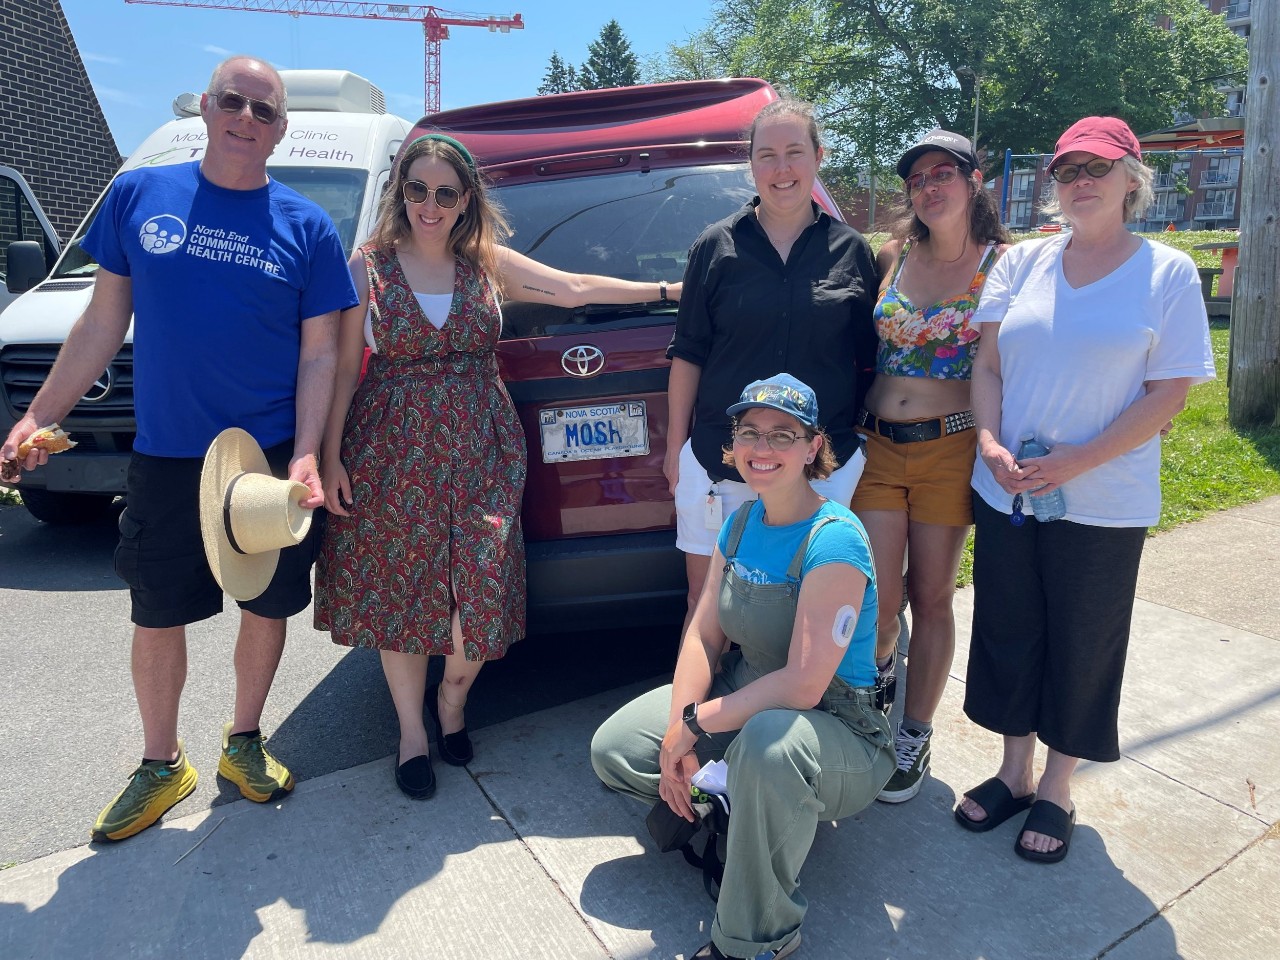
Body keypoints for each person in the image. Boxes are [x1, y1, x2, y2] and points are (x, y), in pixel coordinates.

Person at [1, 57, 357, 841]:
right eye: (234, 102)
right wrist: (37, 415)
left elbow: (322, 356)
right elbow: (100, 324)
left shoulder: (308, 227)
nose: (247, 119)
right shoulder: (139, 196)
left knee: (265, 602)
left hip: (263, 462)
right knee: (157, 611)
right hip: (167, 456)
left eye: (265, 111)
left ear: (282, 128)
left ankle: (244, 742)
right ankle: (162, 764)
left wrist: (304, 453)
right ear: (206, 106)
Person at [314, 133, 682, 800]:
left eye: (445, 192)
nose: (429, 204)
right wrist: (331, 455)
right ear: (401, 193)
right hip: (389, 453)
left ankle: (453, 700)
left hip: (480, 449)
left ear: (465, 201)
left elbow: (571, 289)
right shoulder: (366, 267)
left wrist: (668, 285)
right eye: (416, 189)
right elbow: (342, 369)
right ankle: (412, 734)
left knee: (478, 599)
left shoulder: (483, 264)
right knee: (403, 597)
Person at [955, 117, 1215, 863]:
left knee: (1084, 638)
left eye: (1098, 168)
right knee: (1009, 626)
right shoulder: (1020, 265)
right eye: (1068, 170)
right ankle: (1014, 772)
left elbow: (1169, 394)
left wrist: (1077, 461)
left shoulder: (1165, 273)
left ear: (1133, 178)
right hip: (1008, 490)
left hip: (1103, 501)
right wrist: (989, 442)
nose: (1082, 183)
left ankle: (1059, 785)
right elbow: (990, 369)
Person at [592, 374, 894, 960]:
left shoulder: (834, 541)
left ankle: (757, 939)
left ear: (812, 447)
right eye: (750, 432)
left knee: (767, 748)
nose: (763, 448)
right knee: (618, 748)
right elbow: (704, 635)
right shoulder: (740, 522)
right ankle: (735, 803)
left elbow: (805, 685)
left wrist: (699, 723)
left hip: (838, 727)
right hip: (749, 690)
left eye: (783, 434)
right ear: (733, 444)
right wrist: (682, 720)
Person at [665, 99, 879, 632]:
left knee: (804, 607)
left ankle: (791, 713)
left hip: (819, 465)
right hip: (724, 459)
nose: (781, 169)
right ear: (752, 166)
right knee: (708, 602)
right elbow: (689, 352)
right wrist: (675, 451)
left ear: (818, 157)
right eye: (767, 155)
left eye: (794, 152)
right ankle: (705, 715)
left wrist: (855, 447)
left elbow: (870, 361)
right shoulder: (715, 248)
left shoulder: (851, 251)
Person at [850, 130, 1009, 803]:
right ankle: (878, 679)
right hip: (878, 445)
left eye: (944, 172)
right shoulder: (893, 254)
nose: (930, 187)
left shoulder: (1004, 265)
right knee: (881, 599)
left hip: (951, 446)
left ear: (975, 181)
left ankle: (914, 731)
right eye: (918, 179)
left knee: (932, 596)